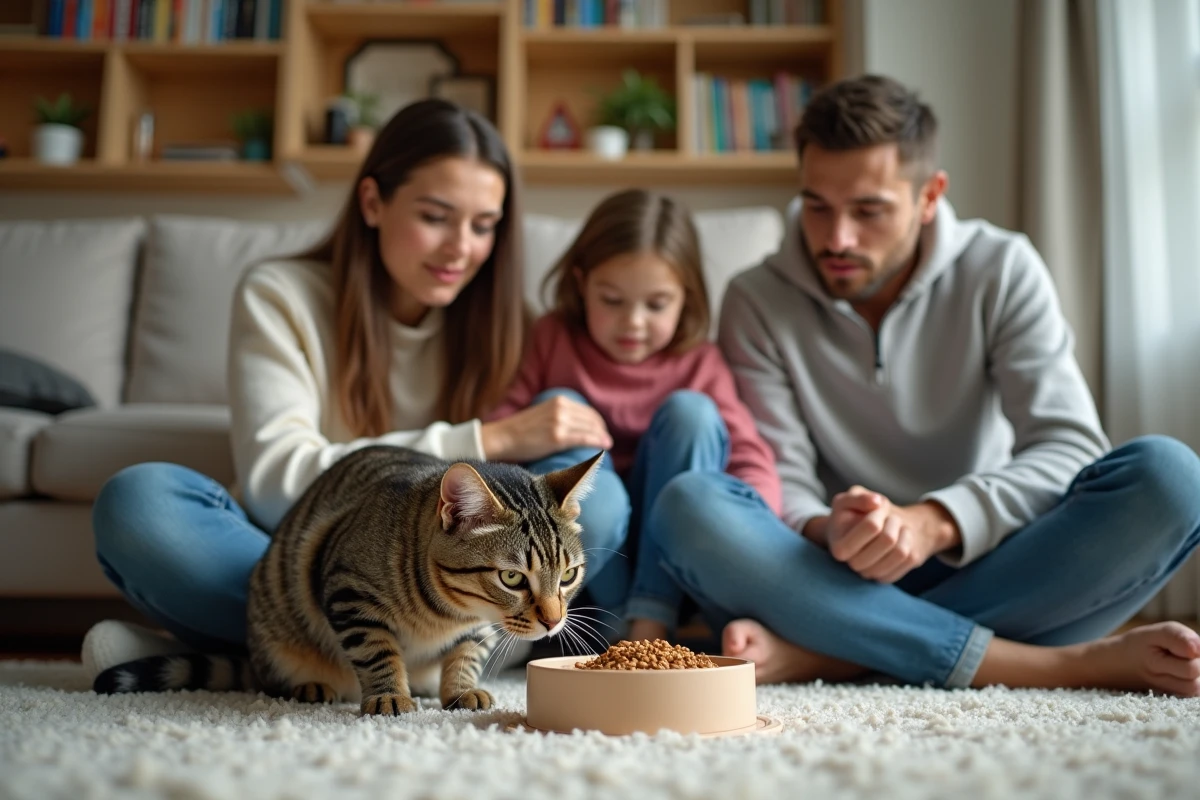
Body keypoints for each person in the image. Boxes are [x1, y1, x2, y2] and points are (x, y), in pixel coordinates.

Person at [647, 74, 1200, 695]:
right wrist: (833, 529)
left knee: (1172, 479)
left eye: (869, 210)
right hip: (826, 577)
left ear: (930, 195)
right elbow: (782, 477)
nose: (837, 239)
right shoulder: (755, 298)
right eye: (817, 207)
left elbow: (1069, 447)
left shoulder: (1002, 268)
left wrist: (933, 523)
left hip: (993, 562)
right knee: (690, 504)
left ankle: (834, 656)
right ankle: (1052, 666)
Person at [80, 99, 620, 676]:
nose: (462, 248)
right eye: (436, 217)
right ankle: (336, 656)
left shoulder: (511, 320)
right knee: (139, 503)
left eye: (483, 225)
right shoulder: (280, 294)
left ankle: (222, 658)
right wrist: (486, 439)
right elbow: (271, 480)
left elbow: (535, 527)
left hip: (462, 595)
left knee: (601, 492)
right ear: (372, 202)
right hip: (297, 565)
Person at [486, 188, 781, 642]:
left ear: (687, 297)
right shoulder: (551, 337)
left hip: (666, 563)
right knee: (561, 403)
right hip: (581, 572)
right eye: (612, 300)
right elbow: (504, 441)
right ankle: (620, 621)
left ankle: (650, 621)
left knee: (694, 414)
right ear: (582, 284)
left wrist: (755, 530)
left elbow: (746, 454)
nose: (634, 323)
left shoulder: (698, 360)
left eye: (657, 304)